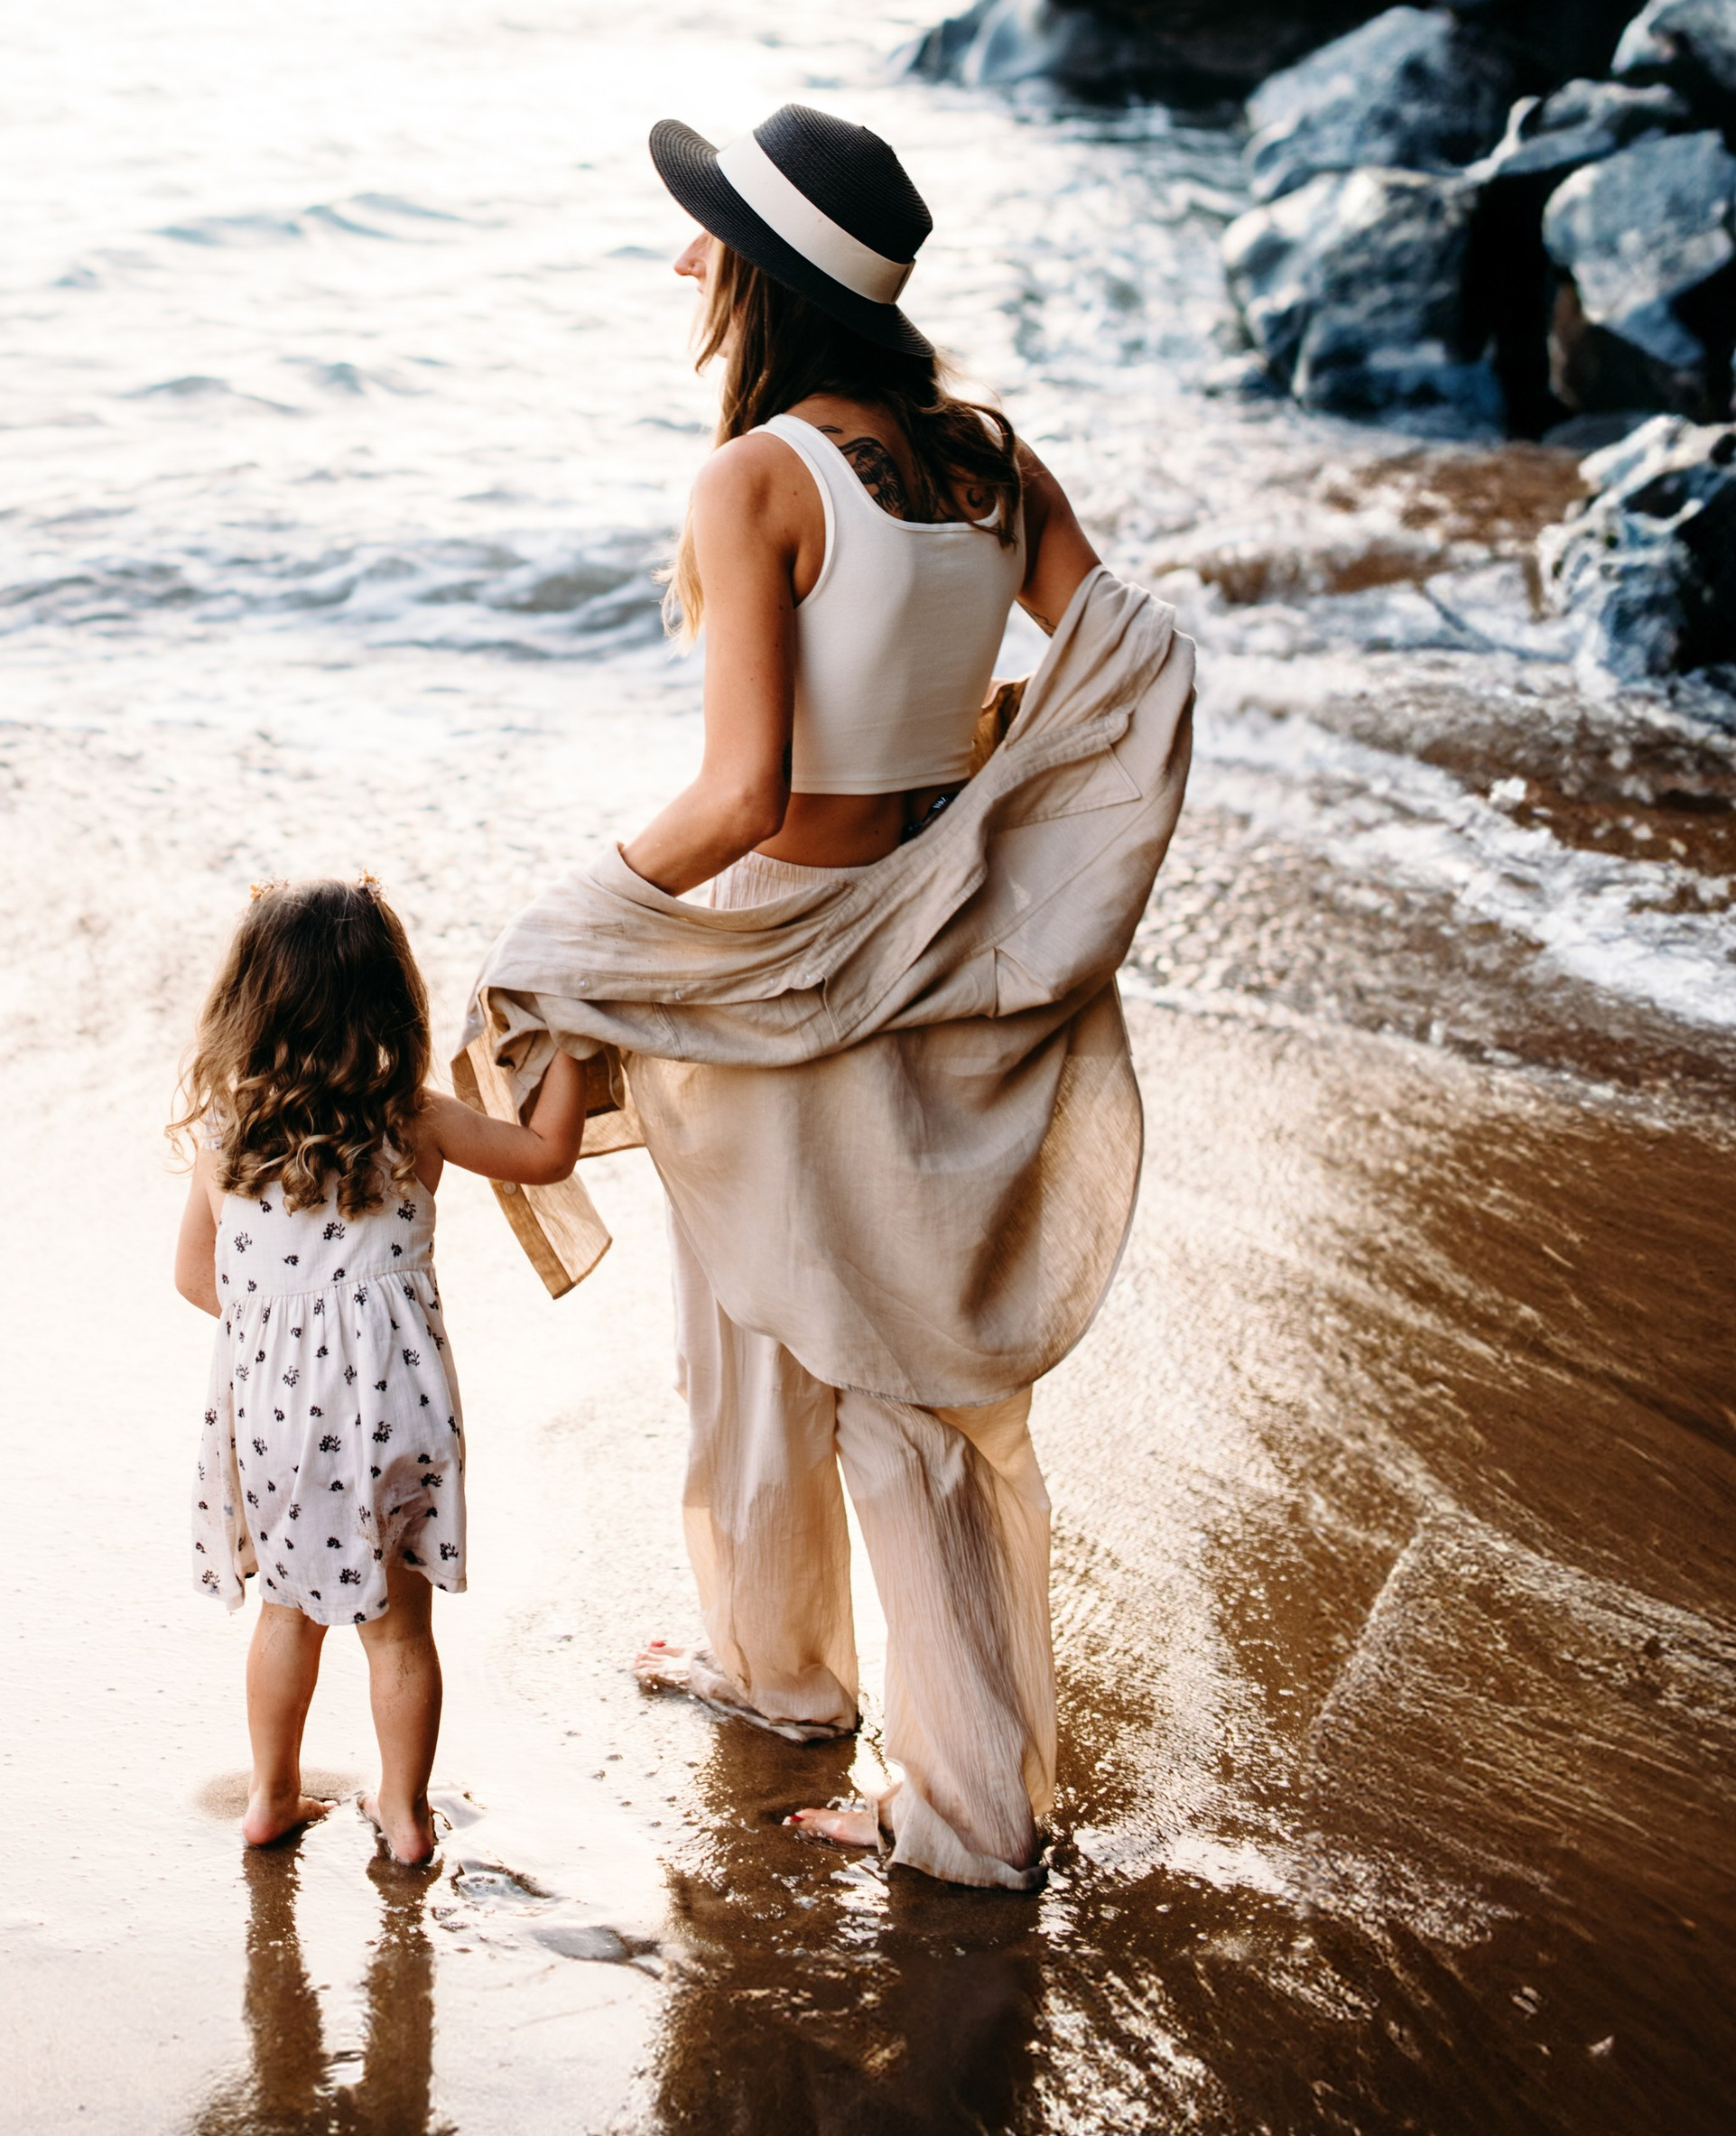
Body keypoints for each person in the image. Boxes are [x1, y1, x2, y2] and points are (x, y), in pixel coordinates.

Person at [456, 102, 1192, 1888]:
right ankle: (777, 1670)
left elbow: (741, 805)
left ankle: (949, 1806)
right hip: (933, 947)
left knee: (822, 1352)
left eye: (709, 231)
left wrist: (575, 914)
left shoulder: (756, 478)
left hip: (786, 939)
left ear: (770, 273)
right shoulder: (989, 467)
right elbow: (1133, 653)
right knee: (817, 1328)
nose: (683, 256)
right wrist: (1004, 820)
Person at [171, 876, 586, 1863]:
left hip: (274, 1416)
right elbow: (547, 1156)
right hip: (397, 1412)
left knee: (286, 1612)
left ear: (248, 1006)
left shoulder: (226, 1141)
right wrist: (574, 1038)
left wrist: (286, 1326)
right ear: (393, 1001)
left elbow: (195, 1281)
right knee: (399, 1632)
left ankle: (271, 1798)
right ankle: (404, 1817)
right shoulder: (416, 1122)